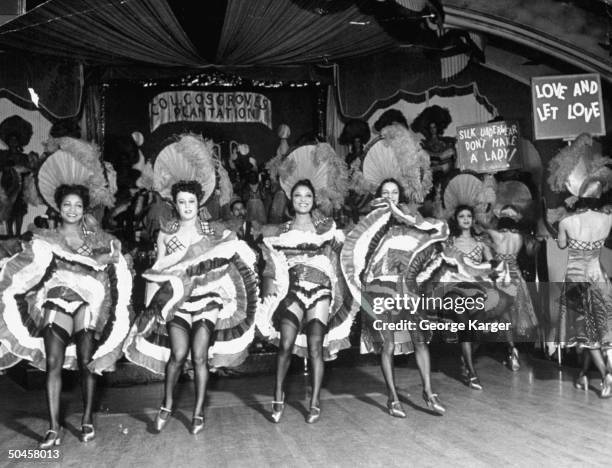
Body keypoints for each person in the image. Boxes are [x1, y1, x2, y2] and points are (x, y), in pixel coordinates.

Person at [123, 135, 259, 434]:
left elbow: (232, 255)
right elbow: (157, 271)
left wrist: (226, 287)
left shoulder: (213, 230)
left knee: (199, 356)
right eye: (182, 202)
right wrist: (150, 307)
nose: (187, 206)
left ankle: (198, 412)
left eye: (192, 202)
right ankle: (167, 405)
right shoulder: (166, 234)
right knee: (178, 355)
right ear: (175, 202)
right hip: (176, 302)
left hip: (207, 299)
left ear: (200, 203)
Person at [0, 183, 132, 447]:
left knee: (87, 362)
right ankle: (53, 427)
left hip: (87, 305)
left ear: (84, 210)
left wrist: (114, 255)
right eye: (67, 205)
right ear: (58, 208)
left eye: (78, 206)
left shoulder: (95, 239)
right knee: (52, 363)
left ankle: (86, 419)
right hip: (55, 302)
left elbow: (113, 260)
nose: (72, 210)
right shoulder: (45, 238)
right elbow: (25, 259)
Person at [342, 178, 448, 416]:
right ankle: (392, 397)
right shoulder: (370, 226)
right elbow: (357, 256)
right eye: (385, 192)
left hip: (407, 287)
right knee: (387, 344)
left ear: (400, 197)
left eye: (394, 192)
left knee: (419, 339)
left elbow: (438, 231)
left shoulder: (412, 223)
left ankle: (428, 392)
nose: (390, 196)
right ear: (379, 196)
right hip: (381, 289)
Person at [257, 179, 355, 424]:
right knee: (286, 343)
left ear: (313, 200)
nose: (303, 199)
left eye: (307, 196)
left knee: (315, 346)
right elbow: (271, 265)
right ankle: (278, 395)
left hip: (320, 288)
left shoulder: (325, 228)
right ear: (292, 199)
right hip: (293, 289)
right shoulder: (280, 231)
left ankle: (314, 402)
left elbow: (339, 254)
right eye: (298, 195)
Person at [556, 189, 612, 397]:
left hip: (576, 279)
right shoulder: (607, 219)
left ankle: (606, 373)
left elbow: (562, 244)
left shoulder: (566, 221)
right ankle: (588, 374)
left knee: (586, 334)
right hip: (599, 277)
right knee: (603, 327)